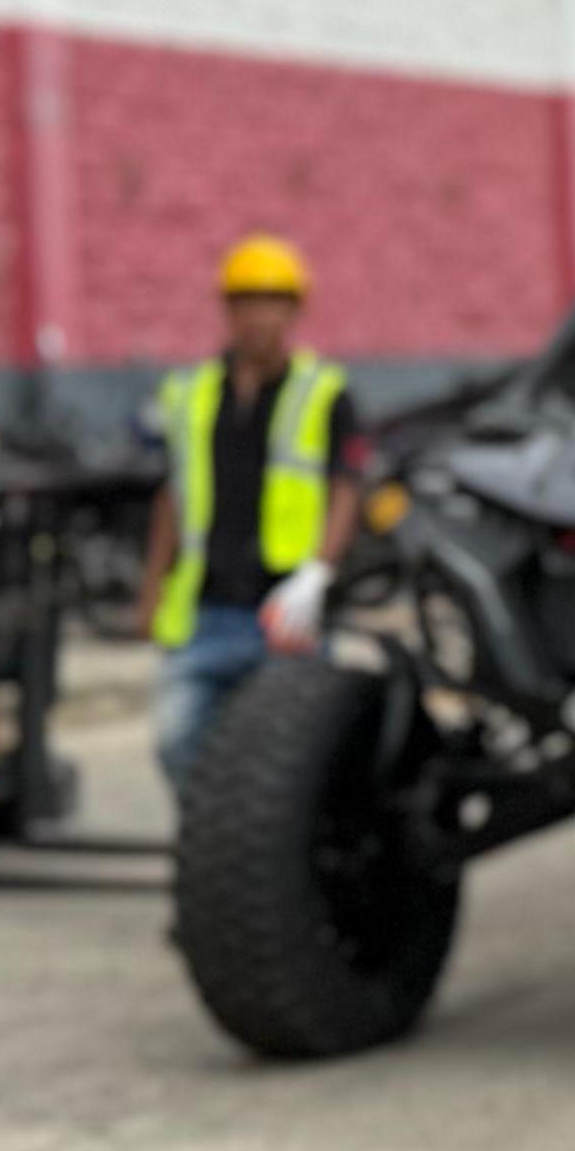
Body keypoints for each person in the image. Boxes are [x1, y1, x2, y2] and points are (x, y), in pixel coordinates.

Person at [140, 235, 366, 786]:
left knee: (292, 762)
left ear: (294, 311)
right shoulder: (189, 393)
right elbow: (173, 495)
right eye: (246, 304)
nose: (258, 319)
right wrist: (151, 587)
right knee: (179, 742)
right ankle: (219, 856)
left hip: (285, 612)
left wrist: (317, 573)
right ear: (228, 310)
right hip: (207, 609)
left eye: (272, 304)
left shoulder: (324, 392)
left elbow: (346, 489)